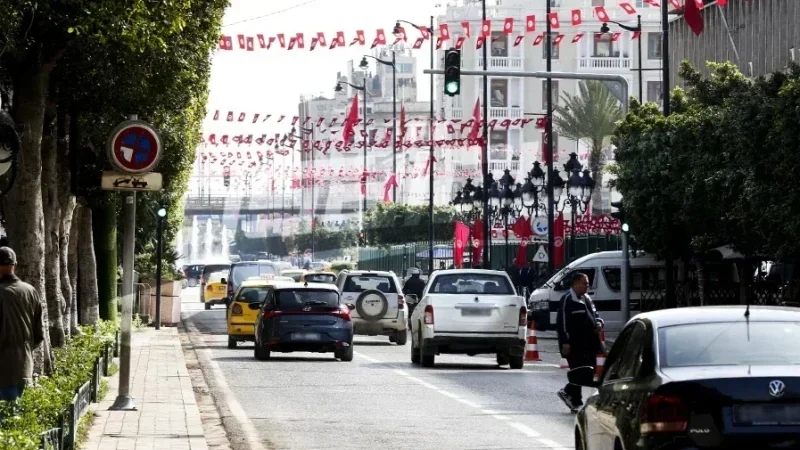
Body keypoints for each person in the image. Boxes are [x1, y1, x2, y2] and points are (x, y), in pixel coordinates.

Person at [0, 247, 45, 404]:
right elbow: (39, 334)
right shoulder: (31, 291)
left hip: (2, 373)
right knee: (20, 422)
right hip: (24, 367)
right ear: (15, 265)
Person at [555, 272, 603, 412]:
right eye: (584, 283)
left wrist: (599, 323)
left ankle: (571, 397)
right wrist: (565, 342)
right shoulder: (567, 299)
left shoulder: (587, 298)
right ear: (575, 284)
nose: (587, 286)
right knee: (579, 371)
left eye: (587, 283)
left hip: (589, 343)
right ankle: (572, 397)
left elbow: (596, 314)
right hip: (573, 344)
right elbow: (561, 322)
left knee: (588, 370)